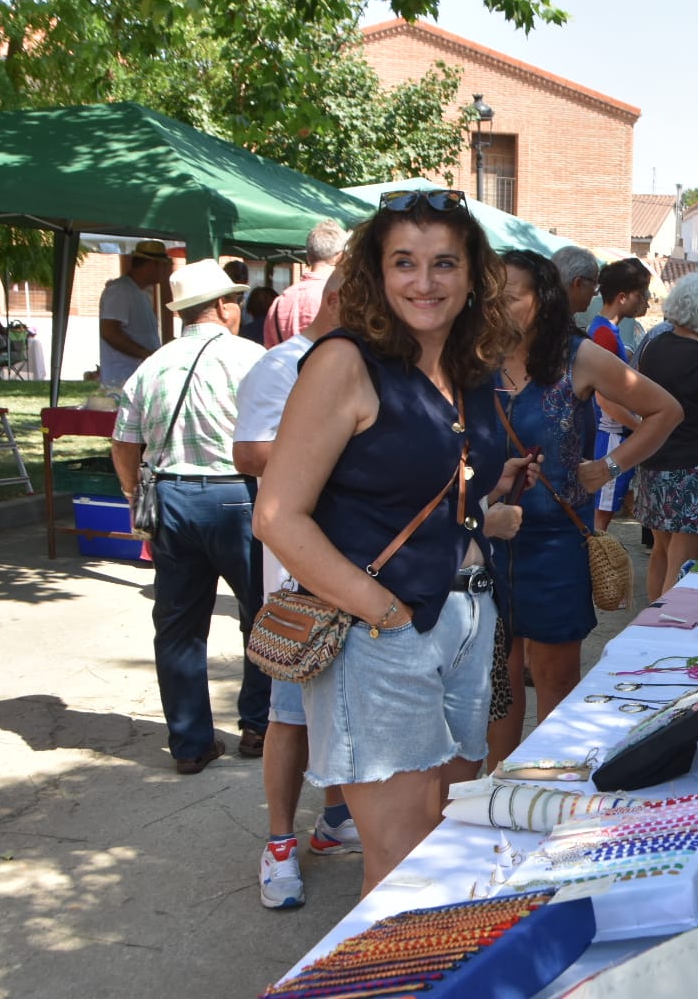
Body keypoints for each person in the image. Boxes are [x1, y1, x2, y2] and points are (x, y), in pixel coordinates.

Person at [253, 187, 532, 896]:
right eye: (404, 263)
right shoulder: (344, 362)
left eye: (444, 263)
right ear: (376, 274)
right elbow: (278, 516)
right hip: (383, 635)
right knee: (406, 864)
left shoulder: (467, 370)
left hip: (468, 620)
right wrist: (385, 614)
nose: (424, 282)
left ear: (473, 276)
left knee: (448, 842)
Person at [487, 250, 680, 768]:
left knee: (553, 681)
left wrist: (611, 466)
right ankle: (496, 794)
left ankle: (553, 788)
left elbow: (666, 410)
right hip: (482, 542)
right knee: (496, 687)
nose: (496, 305)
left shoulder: (578, 356)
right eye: (491, 294)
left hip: (553, 541)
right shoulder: (475, 357)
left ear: (543, 299)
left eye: (510, 296)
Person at [232, 267, 358, 910]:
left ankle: (335, 820)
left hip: (358, 572)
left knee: (341, 710)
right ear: (338, 298)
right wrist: (334, 440)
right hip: (300, 583)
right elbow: (250, 453)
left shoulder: (367, 363)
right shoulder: (281, 366)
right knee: (289, 715)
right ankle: (279, 844)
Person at [109, 260, 266, 774]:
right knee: (261, 616)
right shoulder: (252, 359)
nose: (238, 310)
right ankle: (258, 724)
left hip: (172, 498)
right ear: (222, 306)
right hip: (237, 498)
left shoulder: (151, 365)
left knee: (177, 625)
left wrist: (136, 494)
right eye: (235, 301)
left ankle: (190, 743)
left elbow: (124, 444)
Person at [636, 271, 698, 600]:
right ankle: (665, 628)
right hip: (697, 467)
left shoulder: (653, 345)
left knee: (661, 552)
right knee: (684, 560)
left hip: (654, 461)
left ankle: (649, 622)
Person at [588, 258, 653, 532]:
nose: (646, 301)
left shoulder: (607, 331)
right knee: (600, 518)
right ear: (623, 297)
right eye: (641, 294)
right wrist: (640, 428)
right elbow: (604, 399)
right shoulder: (603, 334)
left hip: (613, 434)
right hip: (611, 436)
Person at [99, 241, 173, 388]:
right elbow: (109, 331)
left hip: (137, 378)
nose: (164, 271)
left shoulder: (139, 292)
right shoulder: (120, 290)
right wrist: (146, 354)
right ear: (153, 265)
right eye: (163, 266)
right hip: (123, 379)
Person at [265, 220, 347, 348]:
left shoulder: (278, 303)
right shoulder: (340, 298)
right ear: (340, 256)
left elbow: (270, 349)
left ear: (309, 256)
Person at [553, 245, 601, 317]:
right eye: (594, 284)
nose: (595, 293)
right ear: (578, 283)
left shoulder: (536, 315)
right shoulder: (557, 324)